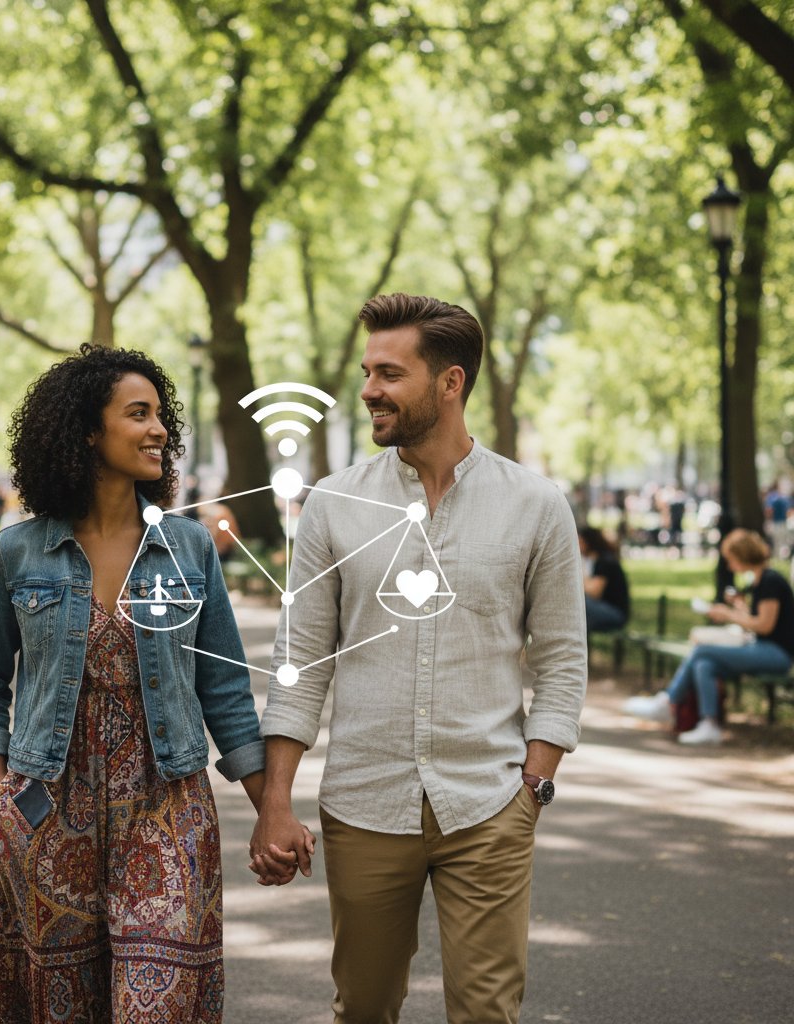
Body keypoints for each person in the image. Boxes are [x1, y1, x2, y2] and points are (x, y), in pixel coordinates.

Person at [249, 293, 587, 1024]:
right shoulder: (334, 505)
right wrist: (275, 802)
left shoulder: (535, 504)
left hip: (490, 804)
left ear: (450, 383)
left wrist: (534, 787)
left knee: (487, 1013)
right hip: (365, 803)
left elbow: (562, 659)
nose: (369, 389)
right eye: (368, 372)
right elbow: (299, 660)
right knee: (365, 1009)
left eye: (389, 373)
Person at [0, 344, 274, 1022]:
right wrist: (0, 790)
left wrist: (270, 805)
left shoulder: (188, 548)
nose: (160, 429)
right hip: (48, 812)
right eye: (139, 414)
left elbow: (224, 688)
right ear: (86, 431)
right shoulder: (17, 551)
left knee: (153, 1006)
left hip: (167, 808)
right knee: (61, 1005)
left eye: (161, 415)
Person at [624, 528, 794, 745]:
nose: (729, 565)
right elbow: (756, 621)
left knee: (702, 649)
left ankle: (668, 702)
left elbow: (765, 625)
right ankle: (709, 724)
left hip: (776, 654)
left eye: (731, 560)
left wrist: (729, 615)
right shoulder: (758, 582)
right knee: (705, 664)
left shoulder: (771, 581)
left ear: (742, 556)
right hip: (762, 648)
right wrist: (737, 609)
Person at [578, 525, 630, 633]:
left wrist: (577, 577)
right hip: (604, 608)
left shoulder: (604, 561)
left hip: (615, 613)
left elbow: (594, 592)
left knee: (580, 603)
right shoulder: (594, 560)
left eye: (580, 541)